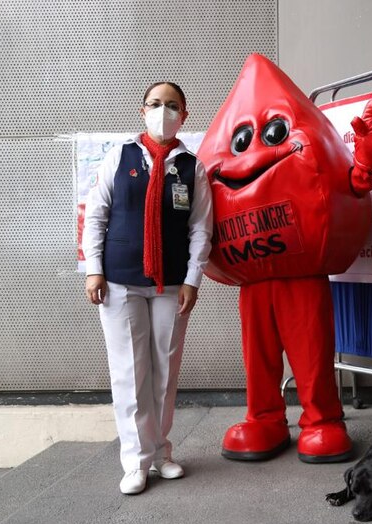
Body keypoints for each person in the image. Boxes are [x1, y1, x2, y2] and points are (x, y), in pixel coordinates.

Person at [82, 82, 213, 495]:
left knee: (164, 371)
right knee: (129, 374)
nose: (163, 111)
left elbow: (200, 229)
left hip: (170, 285)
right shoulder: (120, 157)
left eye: (172, 106)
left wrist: (193, 278)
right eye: (155, 104)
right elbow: (96, 214)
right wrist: (93, 269)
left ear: (184, 116)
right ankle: (135, 462)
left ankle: (161, 453)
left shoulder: (192, 167)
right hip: (120, 282)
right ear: (142, 110)